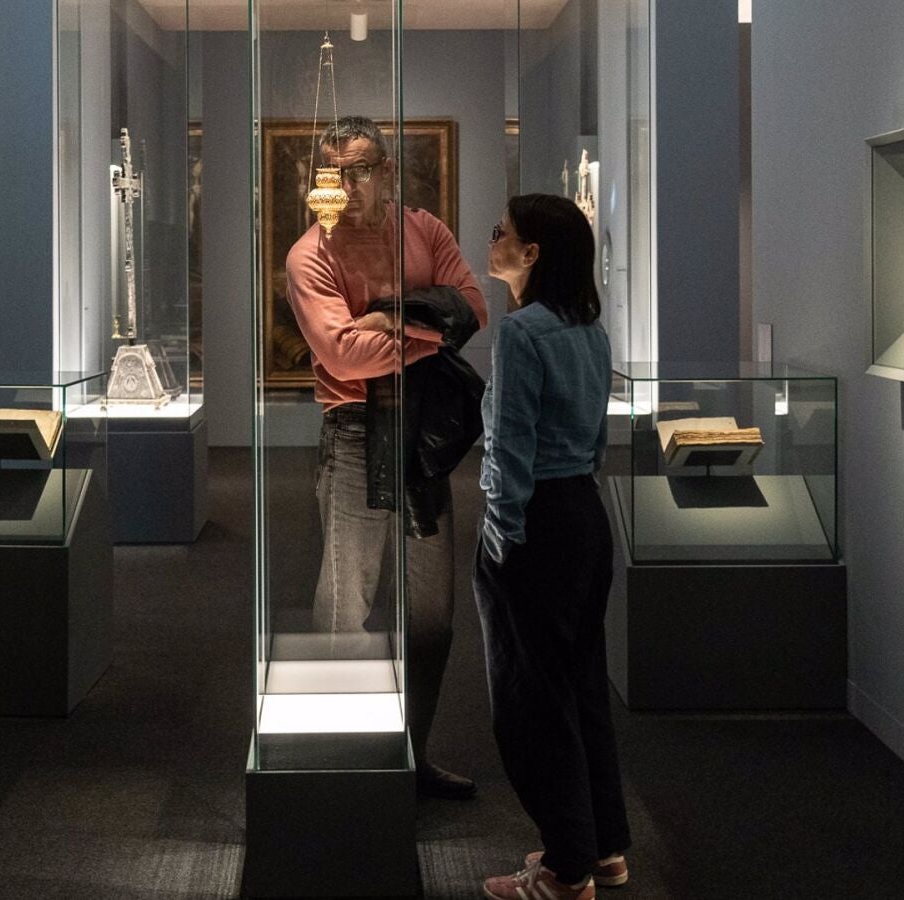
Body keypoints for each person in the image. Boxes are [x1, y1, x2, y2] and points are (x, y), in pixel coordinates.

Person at [283, 115, 486, 800]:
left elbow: (474, 307)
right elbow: (343, 355)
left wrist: (389, 316)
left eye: (362, 170)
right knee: (347, 606)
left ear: (388, 170)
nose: (347, 186)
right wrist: (430, 332)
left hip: (423, 433)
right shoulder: (310, 254)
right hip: (353, 433)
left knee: (431, 614)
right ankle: (341, 758)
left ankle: (412, 753)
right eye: (334, 173)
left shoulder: (424, 230)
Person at [474, 194, 631, 900]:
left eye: (502, 233)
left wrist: (502, 532)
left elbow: (509, 443)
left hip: (534, 523)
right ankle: (603, 846)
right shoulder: (589, 329)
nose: (494, 240)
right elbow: (594, 441)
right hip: (583, 517)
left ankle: (567, 870)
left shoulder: (522, 332)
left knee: (533, 697)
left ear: (531, 254)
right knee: (581, 683)